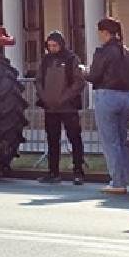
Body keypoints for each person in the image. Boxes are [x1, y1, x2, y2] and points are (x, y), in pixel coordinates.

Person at [86, 17, 129, 194]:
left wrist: (83, 72)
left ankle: (117, 181)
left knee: (110, 142)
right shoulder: (126, 51)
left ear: (105, 32)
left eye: (100, 33)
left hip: (107, 95)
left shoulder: (103, 51)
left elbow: (94, 75)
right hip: (126, 96)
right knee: (122, 140)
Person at [35, 32, 86, 185]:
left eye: (54, 45)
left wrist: (64, 98)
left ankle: (78, 172)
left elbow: (78, 82)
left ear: (61, 44)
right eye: (49, 46)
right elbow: (38, 81)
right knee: (52, 140)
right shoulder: (45, 61)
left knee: (75, 139)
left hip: (68, 107)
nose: (52, 48)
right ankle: (53, 172)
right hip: (50, 108)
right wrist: (44, 97)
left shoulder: (71, 59)